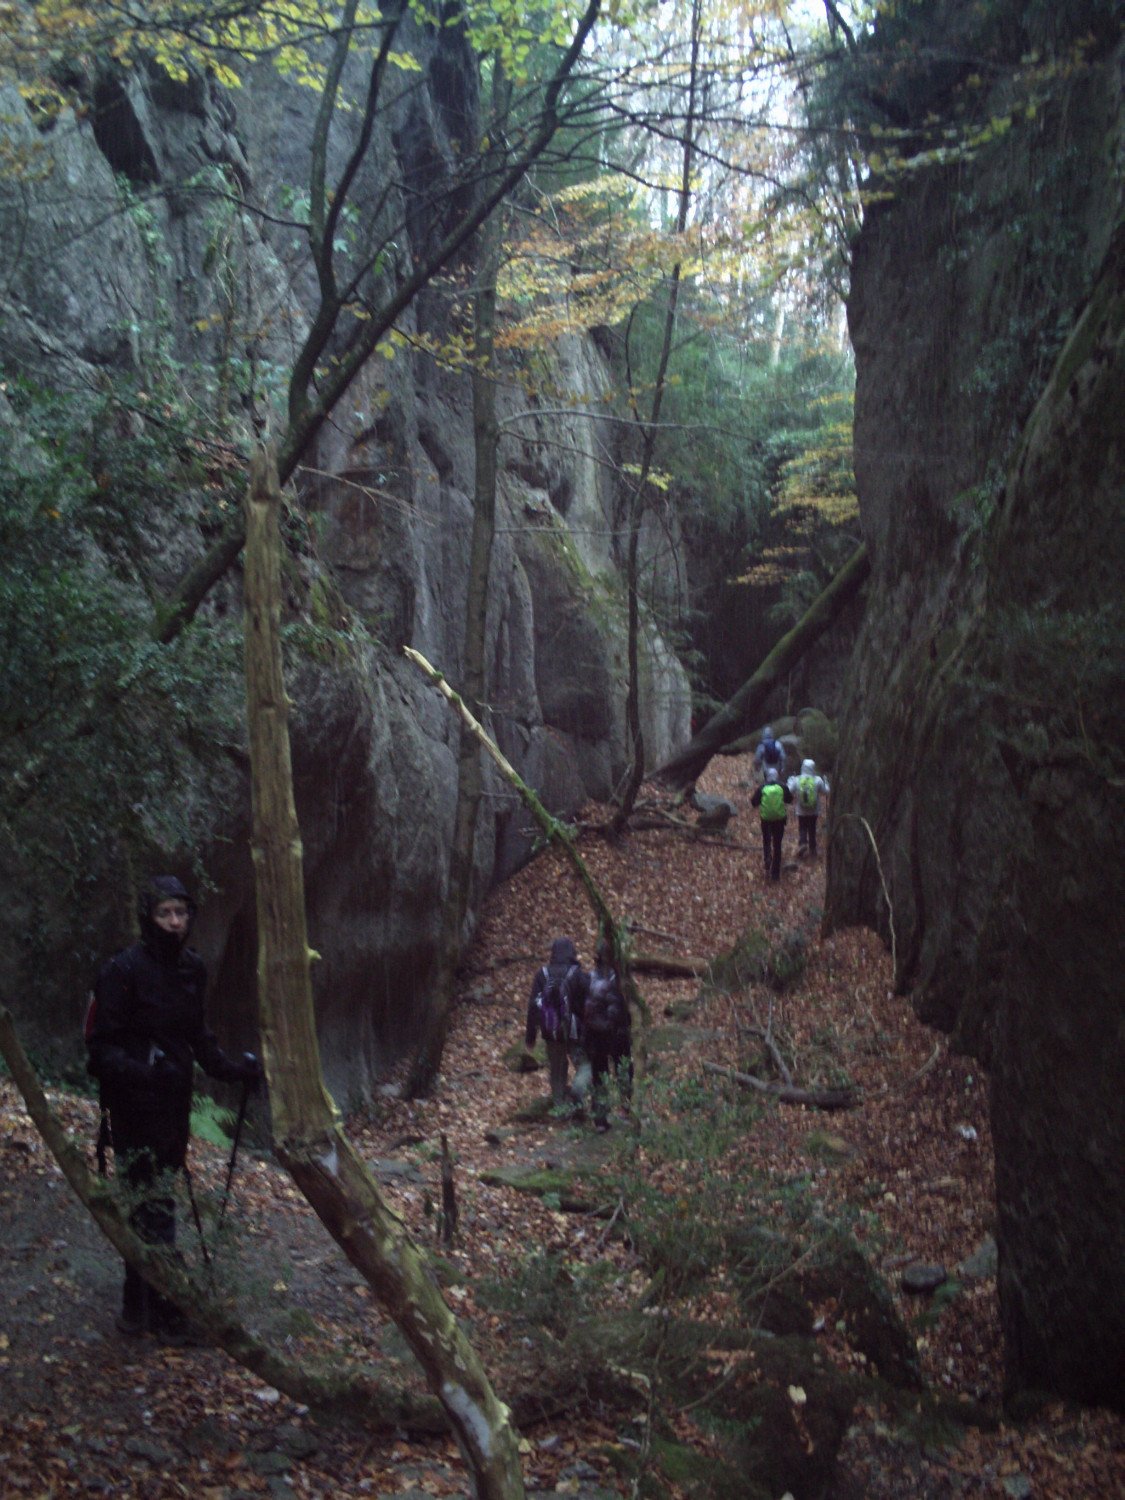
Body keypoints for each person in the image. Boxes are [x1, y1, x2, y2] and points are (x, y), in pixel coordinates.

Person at [86, 875, 261, 1340]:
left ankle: (135, 1308)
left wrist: (232, 1070)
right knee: (150, 1204)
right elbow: (100, 1051)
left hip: (173, 1106)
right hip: (132, 1107)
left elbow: (197, 1034)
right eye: (165, 913)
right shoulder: (122, 971)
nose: (174, 922)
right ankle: (169, 1315)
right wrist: (146, 1074)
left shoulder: (191, 969)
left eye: (181, 912)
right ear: (149, 918)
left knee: (156, 1202)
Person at [525, 936, 587, 1109]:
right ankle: (577, 1096)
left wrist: (530, 1038)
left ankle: (560, 1108)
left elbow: (533, 1007)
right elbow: (588, 1004)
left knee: (557, 1070)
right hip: (574, 1031)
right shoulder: (577, 974)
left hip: (550, 1031)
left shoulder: (542, 974)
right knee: (584, 1065)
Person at [580, 939, 633, 1133]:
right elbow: (621, 1008)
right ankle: (625, 1108)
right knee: (622, 1070)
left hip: (596, 1035)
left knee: (600, 1076)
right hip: (615, 1033)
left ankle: (601, 1119)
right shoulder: (619, 980)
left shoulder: (589, 978)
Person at [751, 766, 792, 881]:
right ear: (777, 776)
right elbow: (789, 799)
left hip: (766, 819)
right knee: (777, 845)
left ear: (766, 777)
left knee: (766, 840)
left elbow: (753, 802)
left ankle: (767, 858)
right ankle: (775, 874)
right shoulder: (782, 786)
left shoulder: (762, 787)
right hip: (779, 819)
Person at [789, 758, 831, 858]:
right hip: (814, 810)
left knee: (802, 827)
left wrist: (790, 781)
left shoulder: (797, 779)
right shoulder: (817, 780)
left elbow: (789, 791)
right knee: (812, 829)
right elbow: (826, 791)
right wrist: (826, 781)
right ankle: (813, 849)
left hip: (801, 810)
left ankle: (803, 843)